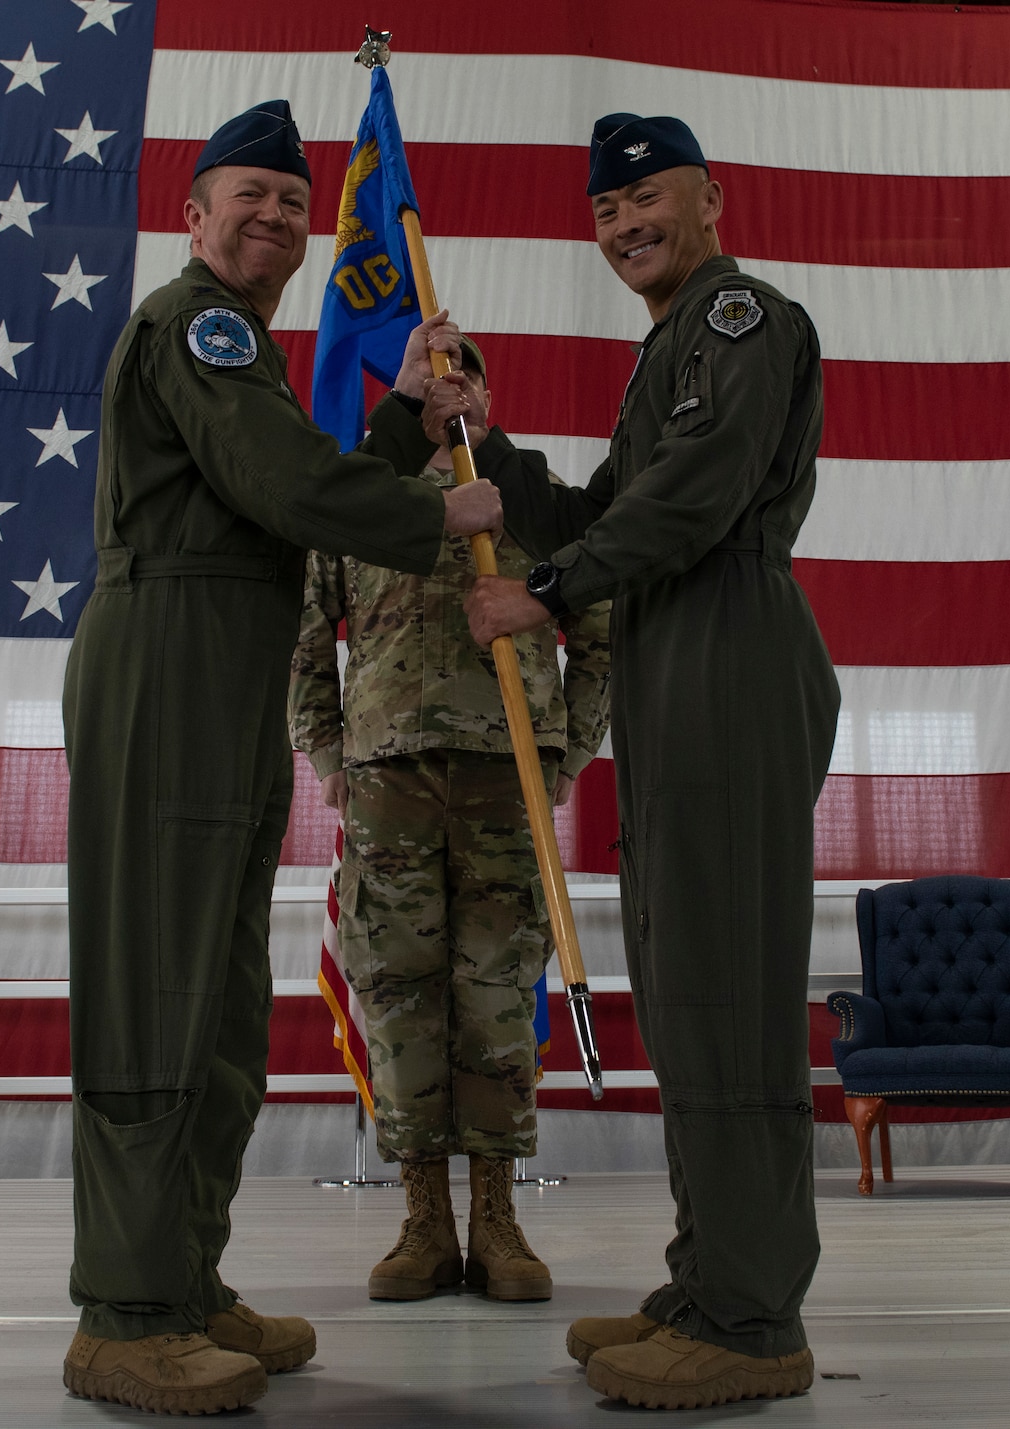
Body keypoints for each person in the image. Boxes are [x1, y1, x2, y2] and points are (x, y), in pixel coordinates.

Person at [60, 99, 504, 1416]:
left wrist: (399, 419)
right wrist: (436, 508)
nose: (271, 216)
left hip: (224, 662)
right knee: (155, 984)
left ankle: (184, 1280)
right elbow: (280, 486)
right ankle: (125, 1313)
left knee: (211, 1000)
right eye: (244, 195)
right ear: (192, 218)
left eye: (291, 203)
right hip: (166, 661)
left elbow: (280, 487)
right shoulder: (195, 324)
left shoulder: (238, 349)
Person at [461, 113, 842, 1410]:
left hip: (730, 639)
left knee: (729, 985)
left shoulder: (743, 320)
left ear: (711, 198)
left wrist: (551, 591)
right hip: (676, 650)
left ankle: (750, 1322)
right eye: (605, 210)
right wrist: (491, 448)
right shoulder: (664, 349)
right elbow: (609, 504)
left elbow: (702, 492)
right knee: (686, 985)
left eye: (648, 199)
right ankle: (707, 1277)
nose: (625, 224)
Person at [289, 335, 614, 1305]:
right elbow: (307, 637)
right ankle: (423, 1220)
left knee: (496, 991)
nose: (448, 378)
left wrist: (568, 749)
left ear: (486, 387)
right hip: (386, 776)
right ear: (405, 387)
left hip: (500, 772)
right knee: (394, 991)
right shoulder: (360, 491)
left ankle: (498, 1220)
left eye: (463, 364)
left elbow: (596, 619)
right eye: (429, 366)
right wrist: (327, 757)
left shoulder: (528, 488)